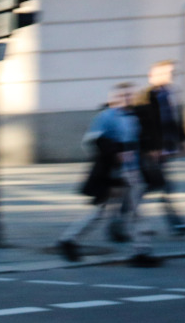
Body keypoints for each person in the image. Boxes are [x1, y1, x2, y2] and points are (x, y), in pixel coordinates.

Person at [58, 82, 161, 267]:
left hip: (134, 170)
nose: (126, 99)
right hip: (116, 173)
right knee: (110, 212)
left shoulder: (135, 115)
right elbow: (93, 141)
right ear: (113, 98)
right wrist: (115, 153)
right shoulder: (106, 117)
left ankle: (141, 250)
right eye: (122, 95)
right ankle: (69, 240)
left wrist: (150, 151)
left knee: (131, 211)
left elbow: (141, 139)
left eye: (129, 95)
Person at [133, 60, 185, 236]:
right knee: (163, 186)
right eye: (166, 72)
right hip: (151, 151)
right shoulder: (145, 96)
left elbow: (176, 119)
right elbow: (144, 126)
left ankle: (122, 219)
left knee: (150, 186)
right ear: (153, 75)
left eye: (172, 72)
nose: (170, 76)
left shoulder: (171, 93)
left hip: (165, 149)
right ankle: (177, 224)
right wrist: (152, 148)